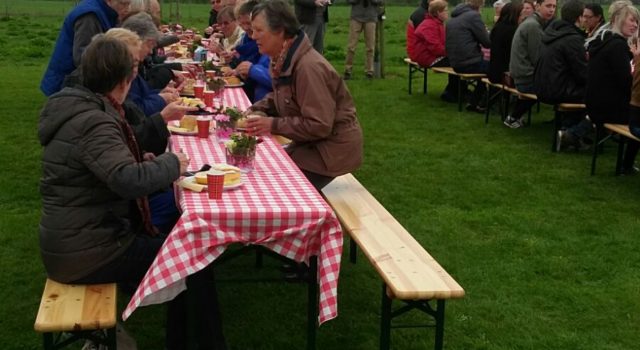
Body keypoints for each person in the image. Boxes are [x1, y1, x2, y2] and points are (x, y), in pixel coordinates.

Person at [39, 35, 227, 350]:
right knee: (194, 259)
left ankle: (183, 340)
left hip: (78, 240)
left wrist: (141, 159)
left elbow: (108, 169)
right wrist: (171, 163)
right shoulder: (94, 121)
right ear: (126, 80)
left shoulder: (82, 106)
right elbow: (127, 180)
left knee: (186, 251)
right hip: (89, 252)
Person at [245, 0, 363, 190]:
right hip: (312, 145)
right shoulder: (283, 58)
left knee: (271, 186)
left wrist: (272, 125)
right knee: (261, 170)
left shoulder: (308, 68)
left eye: (259, 30)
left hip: (330, 152)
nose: (253, 36)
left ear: (280, 30)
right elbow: (282, 96)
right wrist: (257, 109)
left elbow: (319, 125)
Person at [587, 2, 640, 173]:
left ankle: (627, 164)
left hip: (596, 105)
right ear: (619, 20)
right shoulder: (617, 46)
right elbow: (627, 84)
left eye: (637, 22)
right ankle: (626, 164)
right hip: (608, 109)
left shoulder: (604, 40)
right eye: (632, 20)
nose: (635, 25)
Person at [40, 0, 131, 96]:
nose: (127, 9)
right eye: (123, 4)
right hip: (70, 81)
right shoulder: (89, 17)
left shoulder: (103, 12)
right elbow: (83, 57)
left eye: (129, 4)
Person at [534, 0, 591, 151]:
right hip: (557, 90)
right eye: (584, 16)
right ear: (579, 18)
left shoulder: (553, 32)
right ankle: (572, 133)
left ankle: (568, 131)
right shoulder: (572, 39)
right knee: (601, 96)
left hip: (543, 86)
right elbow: (582, 74)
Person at [504, 0, 556, 128]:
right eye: (548, 6)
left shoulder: (531, 23)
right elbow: (537, 58)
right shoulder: (533, 26)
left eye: (554, 6)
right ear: (537, 6)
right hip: (526, 78)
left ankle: (513, 117)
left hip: (522, 75)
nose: (552, 10)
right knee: (562, 88)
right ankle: (566, 127)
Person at [123, 12, 179, 116]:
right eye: (149, 45)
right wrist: (161, 99)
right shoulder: (125, 69)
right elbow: (136, 111)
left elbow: (141, 95)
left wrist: (158, 93)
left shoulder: (133, 65)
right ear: (137, 41)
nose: (151, 52)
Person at [445, 0, 490, 112]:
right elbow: (487, 43)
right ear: (480, 5)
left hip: (455, 62)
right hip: (469, 62)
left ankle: (475, 100)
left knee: (488, 70)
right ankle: (483, 102)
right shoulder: (473, 16)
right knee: (497, 70)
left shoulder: (454, 17)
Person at [225, 0, 272, 102]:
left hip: (261, 102)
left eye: (248, 23)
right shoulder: (247, 39)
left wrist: (251, 70)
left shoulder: (274, 48)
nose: (245, 28)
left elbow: (278, 82)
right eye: (242, 24)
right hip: (258, 100)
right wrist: (235, 62)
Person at [413, 0, 459, 102]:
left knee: (458, 60)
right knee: (458, 62)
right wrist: (452, 53)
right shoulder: (429, 25)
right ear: (438, 12)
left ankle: (456, 91)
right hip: (427, 58)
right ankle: (452, 93)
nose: (448, 12)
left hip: (430, 55)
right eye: (446, 10)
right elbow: (435, 48)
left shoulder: (436, 23)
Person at [343, 0, 383, 80]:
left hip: (371, 17)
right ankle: (348, 70)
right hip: (356, 17)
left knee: (370, 47)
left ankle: (369, 72)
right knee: (351, 46)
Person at [489, 2, 522, 84]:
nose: (522, 17)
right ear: (514, 15)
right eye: (520, 14)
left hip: (493, 73)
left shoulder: (496, 27)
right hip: (505, 76)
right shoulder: (513, 31)